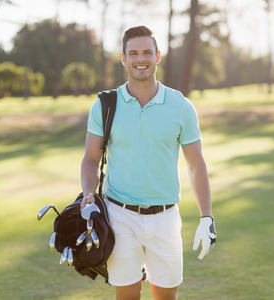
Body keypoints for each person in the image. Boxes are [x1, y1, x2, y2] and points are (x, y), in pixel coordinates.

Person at [80, 25, 216, 300]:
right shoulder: (105, 105)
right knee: (127, 296)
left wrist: (206, 217)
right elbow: (91, 158)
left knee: (166, 296)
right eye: (133, 53)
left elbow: (195, 164)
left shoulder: (181, 106)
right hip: (120, 216)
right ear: (123, 58)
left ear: (158, 56)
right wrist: (88, 194)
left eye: (146, 52)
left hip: (165, 218)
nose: (140, 58)